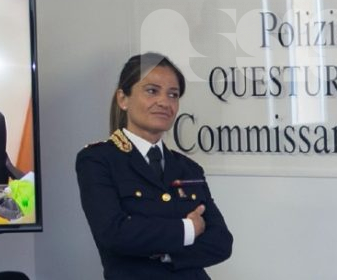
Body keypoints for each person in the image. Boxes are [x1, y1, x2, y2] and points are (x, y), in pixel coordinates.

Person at [76, 52, 233, 280]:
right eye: (152, 91)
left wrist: (166, 255)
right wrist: (188, 229)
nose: (164, 102)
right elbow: (114, 234)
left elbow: (221, 242)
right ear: (123, 99)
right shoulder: (98, 160)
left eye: (173, 95)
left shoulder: (188, 168)